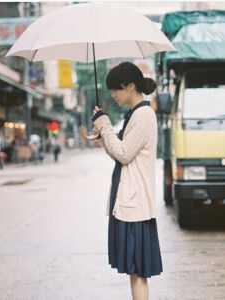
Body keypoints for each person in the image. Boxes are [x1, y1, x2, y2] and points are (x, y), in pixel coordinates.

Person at [92, 62, 162, 300]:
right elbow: (119, 154)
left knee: (138, 270)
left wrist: (105, 124)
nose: (113, 94)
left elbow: (123, 153)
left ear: (131, 86)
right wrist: (103, 135)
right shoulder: (135, 114)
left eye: (116, 89)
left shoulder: (143, 115)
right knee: (135, 270)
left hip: (136, 206)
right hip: (129, 203)